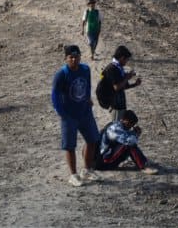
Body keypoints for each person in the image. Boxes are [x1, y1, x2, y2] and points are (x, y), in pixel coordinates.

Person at [51, 45, 101, 187]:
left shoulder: (85, 69)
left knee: (92, 140)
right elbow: (54, 96)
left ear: (80, 56)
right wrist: (61, 113)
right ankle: (73, 175)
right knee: (70, 146)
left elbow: (87, 85)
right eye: (71, 57)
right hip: (69, 115)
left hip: (85, 112)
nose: (74, 59)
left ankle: (86, 170)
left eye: (76, 56)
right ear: (66, 59)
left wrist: (88, 98)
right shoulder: (61, 74)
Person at [95, 110, 158, 174]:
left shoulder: (120, 126)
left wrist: (133, 132)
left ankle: (144, 162)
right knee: (129, 145)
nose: (131, 127)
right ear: (124, 120)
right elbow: (129, 141)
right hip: (103, 162)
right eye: (130, 124)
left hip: (106, 157)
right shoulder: (115, 128)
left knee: (129, 142)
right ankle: (143, 167)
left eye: (132, 125)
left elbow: (125, 136)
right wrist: (135, 134)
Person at [104, 45, 142, 122]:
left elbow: (123, 86)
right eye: (126, 60)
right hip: (116, 105)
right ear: (122, 58)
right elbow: (116, 87)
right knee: (116, 127)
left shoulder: (118, 68)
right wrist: (127, 77)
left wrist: (135, 84)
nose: (126, 62)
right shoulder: (112, 68)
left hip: (120, 104)